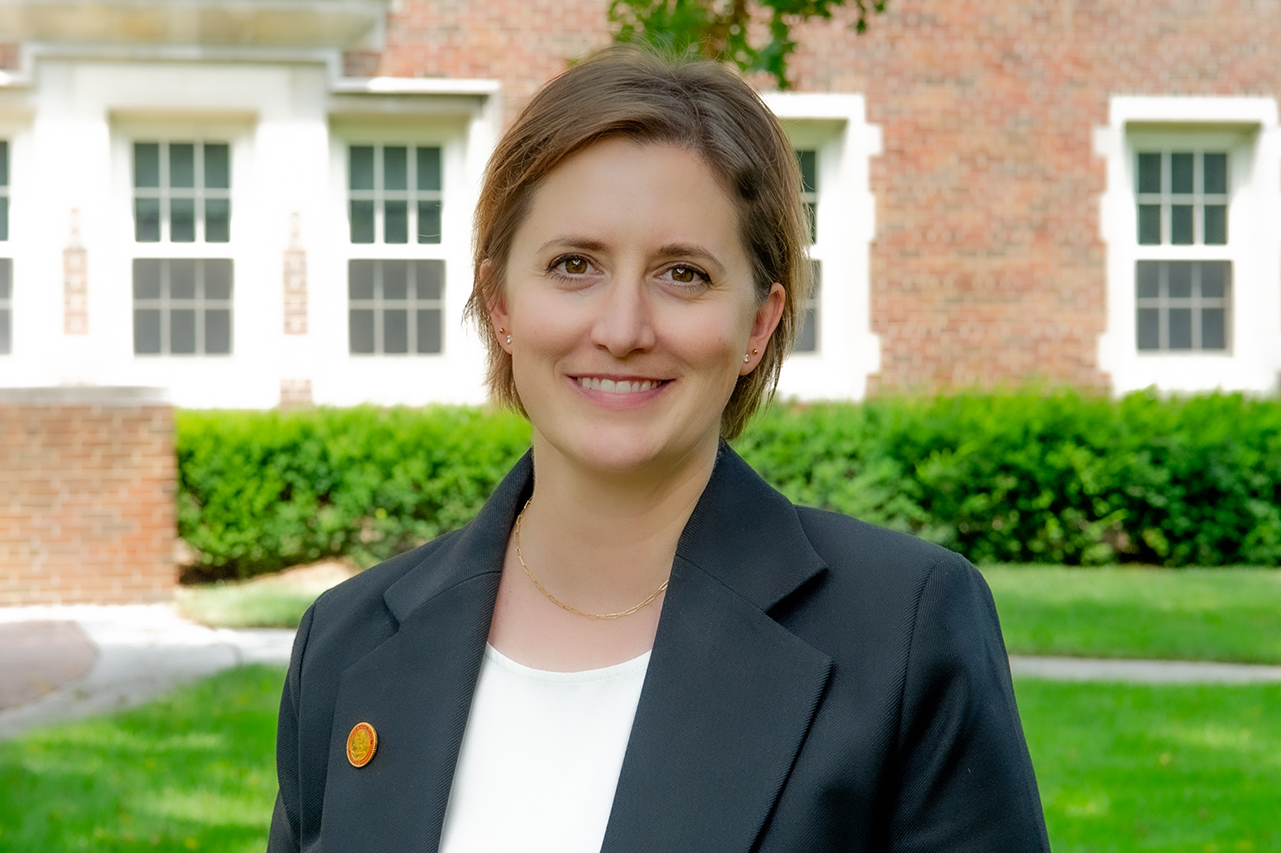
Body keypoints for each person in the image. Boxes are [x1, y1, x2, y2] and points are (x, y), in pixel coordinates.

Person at [268, 47, 1051, 852]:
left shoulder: (902, 632)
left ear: (757, 324)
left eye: (682, 274)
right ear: (500, 302)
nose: (621, 329)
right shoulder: (348, 641)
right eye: (573, 265)